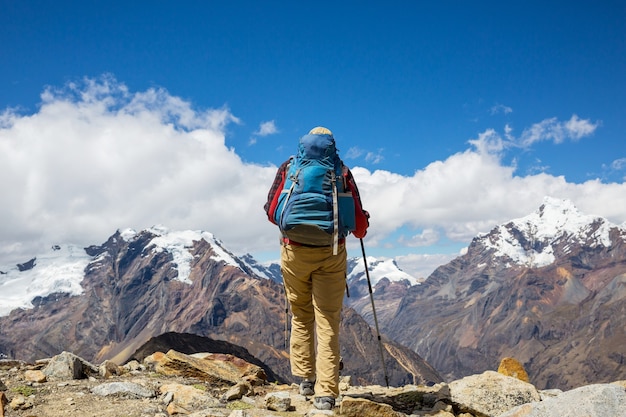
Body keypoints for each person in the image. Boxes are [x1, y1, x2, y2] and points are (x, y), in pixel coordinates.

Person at [264, 126, 369, 410]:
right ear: (331, 146)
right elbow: (359, 227)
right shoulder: (342, 172)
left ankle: (304, 379)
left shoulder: (288, 167)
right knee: (327, 320)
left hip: (294, 252)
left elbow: (272, 211)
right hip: (331, 253)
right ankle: (326, 393)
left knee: (300, 315)